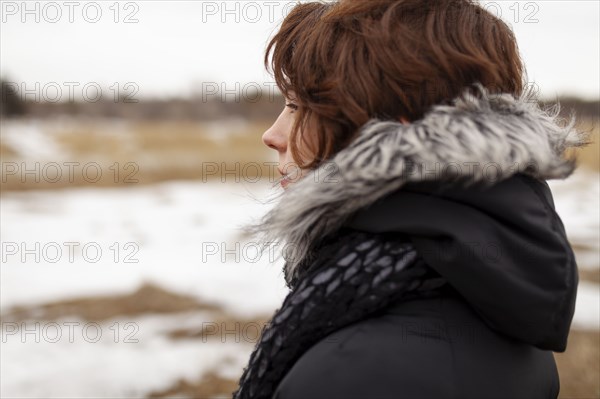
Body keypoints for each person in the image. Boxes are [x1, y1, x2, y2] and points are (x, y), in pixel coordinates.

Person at [233, 0, 590, 398]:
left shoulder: (354, 375)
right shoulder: (490, 282)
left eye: (299, 106)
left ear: (396, 131)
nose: (272, 135)